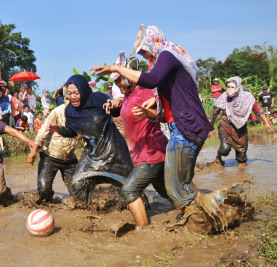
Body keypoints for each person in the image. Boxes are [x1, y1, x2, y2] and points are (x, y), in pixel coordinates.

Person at [90, 25, 213, 217]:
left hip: (186, 126)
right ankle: (207, 213)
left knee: (175, 186)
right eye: (141, 53)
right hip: (179, 127)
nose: (144, 55)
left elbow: (150, 80)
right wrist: (154, 106)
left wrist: (116, 68)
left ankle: (200, 223)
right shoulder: (164, 63)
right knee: (178, 185)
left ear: (153, 41)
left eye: (144, 50)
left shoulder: (167, 53)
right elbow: (163, 102)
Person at [49, 75, 133, 203]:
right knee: (77, 184)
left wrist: (116, 104)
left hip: (114, 150)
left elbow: (116, 112)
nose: (72, 97)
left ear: (83, 90)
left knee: (128, 190)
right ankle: (89, 211)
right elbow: (72, 132)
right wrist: (59, 129)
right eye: (69, 93)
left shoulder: (99, 98)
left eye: (76, 93)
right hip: (92, 153)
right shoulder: (70, 111)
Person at [105, 58, 169, 227]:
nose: (118, 85)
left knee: (130, 190)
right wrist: (115, 102)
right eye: (116, 82)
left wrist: (148, 112)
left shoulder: (146, 90)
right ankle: (194, 211)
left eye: (120, 80)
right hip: (142, 155)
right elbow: (126, 107)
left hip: (152, 152)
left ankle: (143, 230)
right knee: (167, 192)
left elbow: (162, 113)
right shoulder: (127, 95)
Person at [209, 77, 274, 167]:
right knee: (225, 148)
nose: (229, 89)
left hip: (241, 126)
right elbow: (214, 112)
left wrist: (267, 123)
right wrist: (210, 127)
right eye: (228, 87)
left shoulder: (247, 97)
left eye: (232, 87)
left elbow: (258, 110)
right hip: (226, 124)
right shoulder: (224, 96)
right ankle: (218, 158)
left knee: (242, 155)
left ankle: (241, 176)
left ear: (238, 87)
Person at [27, 97, 80, 204]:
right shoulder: (57, 112)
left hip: (69, 158)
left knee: (79, 194)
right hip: (50, 156)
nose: (71, 101)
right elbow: (42, 132)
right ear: (65, 99)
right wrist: (33, 151)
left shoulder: (84, 114)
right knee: (43, 190)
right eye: (69, 98)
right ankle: (49, 204)